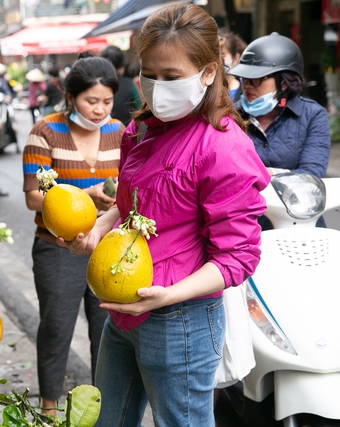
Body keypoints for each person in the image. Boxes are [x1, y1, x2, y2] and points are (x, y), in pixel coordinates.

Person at [58, 5, 270, 426]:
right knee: (105, 420)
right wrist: (98, 230)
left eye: (171, 77)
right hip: (121, 311)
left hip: (180, 321)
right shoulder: (142, 128)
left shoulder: (223, 148)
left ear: (208, 72)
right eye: (149, 75)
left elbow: (238, 257)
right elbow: (128, 206)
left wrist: (168, 295)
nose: (157, 88)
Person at [22, 56, 125, 414]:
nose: (99, 110)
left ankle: (101, 407)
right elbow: (34, 196)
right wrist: (84, 195)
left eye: (106, 102)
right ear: (70, 97)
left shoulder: (120, 131)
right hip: (57, 250)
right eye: (90, 101)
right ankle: (49, 407)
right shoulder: (46, 131)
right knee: (56, 328)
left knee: (108, 334)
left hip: (107, 248)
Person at [229, 32, 330, 230]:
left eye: (256, 78)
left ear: (284, 81)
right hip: (243, 226)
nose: (248, 85)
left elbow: (311, 174)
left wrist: (264, 174)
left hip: (299, 224)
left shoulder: (312, 116)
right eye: (245, 78)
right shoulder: (230, 116)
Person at [100, 45, 141, 125]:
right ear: (122, 66)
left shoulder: (95, 84)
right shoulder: (130, 84)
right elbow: (138, 109)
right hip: (126, 133)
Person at [219, 29, 247, 100]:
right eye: (214, 55)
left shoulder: (246, 91)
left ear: (235, 58)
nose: (217, 61)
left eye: (223, 56)